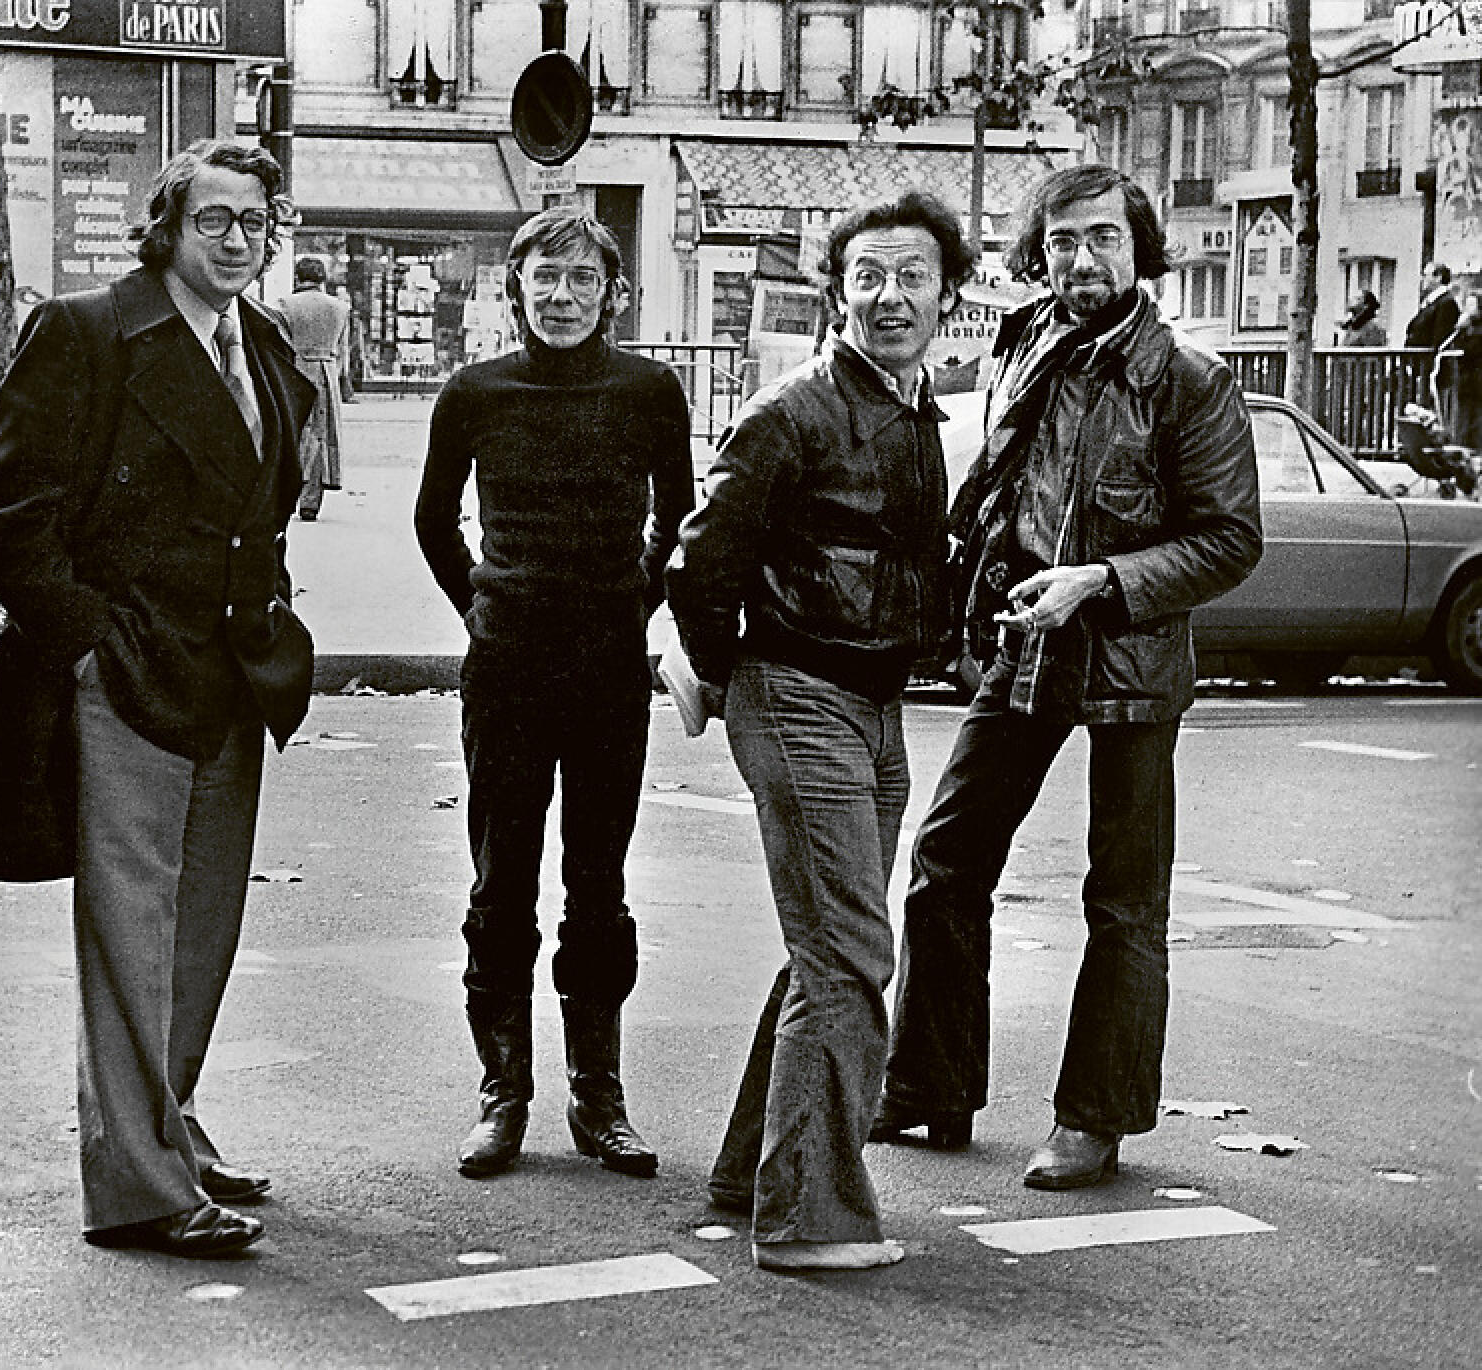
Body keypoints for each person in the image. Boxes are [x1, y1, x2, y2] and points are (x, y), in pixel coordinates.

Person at [0, 140, 319, 1258]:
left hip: (233, 671)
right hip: (128, 670)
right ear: (166, 227)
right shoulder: (86, 331)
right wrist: (87, 646)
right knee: (130, 935)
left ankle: (170, 1126)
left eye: (255, 220)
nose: (238, 239)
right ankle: (138, 1186)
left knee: (202, 928)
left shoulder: (263, 342)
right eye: (214, 218)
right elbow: (9, 514)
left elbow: (262, 509)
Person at [876, 164, 1262, 1192]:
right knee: (948, 858)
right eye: (1061, 241)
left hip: (1128, 655)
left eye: (1102, 238)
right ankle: (929, 1085)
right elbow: (1002, 489)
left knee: (1123, 899)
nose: (1081, 259)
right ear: (1037, 253)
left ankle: (1095, 1117)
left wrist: (1101, 580)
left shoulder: (1188, 379)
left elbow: (1231, 540)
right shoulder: (1027, 340)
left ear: (1141, 248)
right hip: (1026, 642)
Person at [666, 193, 975, 1272]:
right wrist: (716, 671)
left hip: (871, 703)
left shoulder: (913, 409)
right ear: (837, 293)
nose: (891, 296)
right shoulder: (795, 410)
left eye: (914, 276)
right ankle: (810, 1218)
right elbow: (700, 561)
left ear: (948, 294)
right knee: (848, 950)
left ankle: (752, 1172)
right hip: (801, 691)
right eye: (868, 276)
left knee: (828, 947)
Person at [415, 207, 695, 1184]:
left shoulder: (651, 391)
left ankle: (597, 1094)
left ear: (613, 293)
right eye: (546, 279)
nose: (563, 297)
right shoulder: (474, 391)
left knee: (599, 887)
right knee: (501, 885)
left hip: (610, 673)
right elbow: (433, 520)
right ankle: (503, 1093)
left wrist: (629, 604)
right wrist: (485, 608)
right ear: (516, 289)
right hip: (507, 672)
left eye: (583, 280)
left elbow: (679, 519)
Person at [277, 255, 351, 521]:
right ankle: (311, 500)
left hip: (294, 369)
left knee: (293, 431)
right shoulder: (340, 308)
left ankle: (288, 493)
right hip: (326, 371)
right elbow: (343, 351)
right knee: (321, 435)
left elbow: (280, 344)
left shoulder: (285, 305)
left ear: (298, 278)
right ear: (323, 280)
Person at [1436, 291, 1482, 451]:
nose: (1467, 309)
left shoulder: (1477, 331)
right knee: (1465, 416)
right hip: (1466, 381)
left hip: (1477, 380)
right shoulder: (1466, 329)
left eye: (1471, 305)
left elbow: (1471, 350)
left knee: (1476, 418)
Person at [1405, 262, 1460, 350]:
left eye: (1425, 275)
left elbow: (1440, 340)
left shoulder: (1446, 303)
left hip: (1426, 357)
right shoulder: (1431, 302)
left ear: (1438, 278)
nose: (1422, 279)